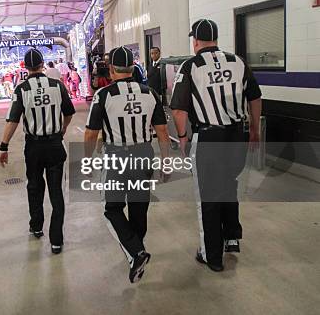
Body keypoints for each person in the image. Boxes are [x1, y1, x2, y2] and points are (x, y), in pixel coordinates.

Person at [170, 19, 262, 272]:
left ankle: (211, 255)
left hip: (209, 138)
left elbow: (178, 109)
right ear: (217, 39)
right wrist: (254, 129)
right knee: (228, 185)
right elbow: (255, 97)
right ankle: (231, 238)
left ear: (195, 41)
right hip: (236, 137)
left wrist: (183, 137)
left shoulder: (191, 66)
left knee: (208, 198)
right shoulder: (238, 61)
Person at [84, 46, 170, 283]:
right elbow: (162, 131)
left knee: (112, 208)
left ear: (111, 70)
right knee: (139, 208)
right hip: (143, 155)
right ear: (133, 68)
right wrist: (165, 162)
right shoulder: (150, 93)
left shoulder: (103, 95)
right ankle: (136, 252)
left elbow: (91, 134)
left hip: (117, 157)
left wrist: (87, 161)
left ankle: (136, 252)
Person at [0, 48, 76, 255]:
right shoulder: (57, 86)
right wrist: (63, 128)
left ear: (25, 67)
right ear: (43, 65)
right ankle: (56, 241)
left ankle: (36, 225)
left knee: (34, 186)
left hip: (33, 146)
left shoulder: (21, 89)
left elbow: (13, 120)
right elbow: (69, 113)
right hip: (54, 144)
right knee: (56, 192)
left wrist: (4, 146)